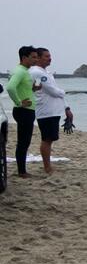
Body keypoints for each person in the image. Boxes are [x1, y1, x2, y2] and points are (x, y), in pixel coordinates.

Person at [29, 47, 67, 174]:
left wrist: (66, 107)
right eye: (46, 56)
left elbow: (52, 89)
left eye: (50, 56)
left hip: (53, 111)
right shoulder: (37, 72)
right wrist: (63, 92)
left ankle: (48, 164)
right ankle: (47, 166)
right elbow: (53, 91)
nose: (49, 58)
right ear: (38, 58)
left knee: (50, 139)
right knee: (47, 139)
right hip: (45, 111)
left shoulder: (46, 73)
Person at [5, 46, 38, 178]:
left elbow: (21, 89)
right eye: (33, 57)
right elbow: (10, 87)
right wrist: (19, 102)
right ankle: (22, 171)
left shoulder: (22, 71)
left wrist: (33, 89)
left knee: (24, 141)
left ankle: (22, 170)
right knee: (23, 142)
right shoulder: (20, 71)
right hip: (23, 111)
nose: (36, 59)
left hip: (25, 111)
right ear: (24, 58)